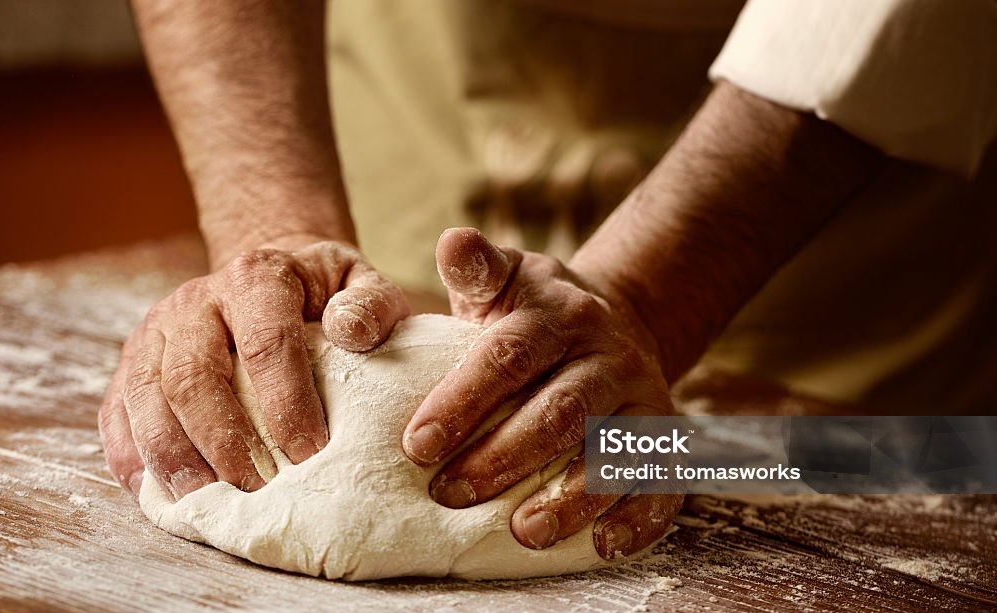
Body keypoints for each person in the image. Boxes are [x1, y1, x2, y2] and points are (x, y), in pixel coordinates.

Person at [99, 0, 997, 560]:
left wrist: (648, 295)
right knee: (358, 371)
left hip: (828, 237)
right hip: (425, 103)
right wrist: (277, 227)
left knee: (912, 527)